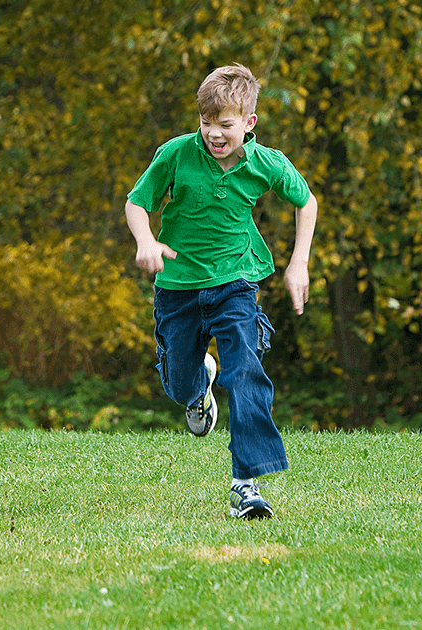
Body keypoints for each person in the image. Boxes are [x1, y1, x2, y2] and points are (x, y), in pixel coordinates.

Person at [124, 64, 318, 520]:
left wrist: (299, 263)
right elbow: (137, 202)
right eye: (206, 122)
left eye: (225, 124)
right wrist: (146, 240)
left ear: (248, 123)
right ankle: (197, 387)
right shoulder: (176, 154)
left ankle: (245, 485)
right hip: (178, 288)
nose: (213, 133)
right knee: (177, 383)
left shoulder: (266, 163)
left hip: (235, 283)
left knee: (246, 370)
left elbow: (306, 202)